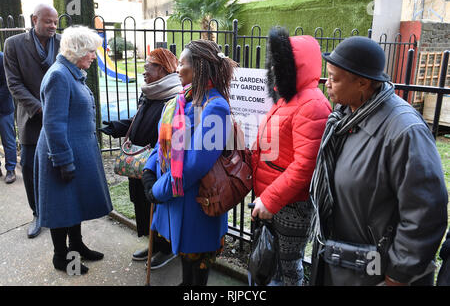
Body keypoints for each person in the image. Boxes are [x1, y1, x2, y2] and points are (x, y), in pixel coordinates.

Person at [309, 36, 448, 286]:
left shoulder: (404, 131)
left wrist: (398, 275)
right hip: (340, 263)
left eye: (334, 77)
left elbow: (425, 212)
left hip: (377, 275)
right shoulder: (344, 117)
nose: (326, 84)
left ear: (362, 82)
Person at [142, 39, 237, 286]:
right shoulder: (183, 98)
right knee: (186, 259)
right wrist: (149, 170)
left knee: (198, 265)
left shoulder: (216, 107)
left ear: (199, 68)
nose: (177, 69)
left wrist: (158, 189)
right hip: (178, 196)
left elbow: (195, 165)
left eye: (182, 63)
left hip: (198, 205)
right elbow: (162, 140)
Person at [250, 27, 331, 286]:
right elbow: (273, 141)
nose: (274, 68)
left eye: (279, 63)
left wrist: (270, 200)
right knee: (270, 263)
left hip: (290, 205)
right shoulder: (287, 98)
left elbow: (305, 166)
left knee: (287, 269)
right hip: (272, 199)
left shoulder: (312, 104)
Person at [34, 26, 113, 274]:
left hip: (75, 150)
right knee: (61, 207)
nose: (93, 56)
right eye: (91, 51)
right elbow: (54, 124)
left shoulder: (71, 72)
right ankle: (62, 257)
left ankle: (77, 246)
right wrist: (63, 161)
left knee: (73, 203)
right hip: (60, 153)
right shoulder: (59, 76)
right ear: (77, 50)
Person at [99, 48, 182, 268]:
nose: (144, 71)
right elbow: (139, 119)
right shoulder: (149, 92)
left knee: (158, 204)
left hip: (158, 163)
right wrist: (118, 127)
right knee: (142, 202)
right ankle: (153, 242)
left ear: (163, 69)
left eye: (149, 67)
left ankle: (166, 249)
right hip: (139, 161)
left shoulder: (174, 96)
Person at [3, 4, 60, 238]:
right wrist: (39, 108)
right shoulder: (14, 44)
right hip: (31, 117)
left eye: (55, 22)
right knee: (28, 166)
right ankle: (38, 214)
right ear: (34, 19)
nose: (53, 26)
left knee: (60, 166)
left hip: (59, 117)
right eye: (48, 21)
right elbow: (14, 84)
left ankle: (58, 210)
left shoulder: (63, 42)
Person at [0, 51, 17, 184]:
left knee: (8, 140)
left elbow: (7, 84)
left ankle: (11, 170)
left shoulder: (1, 58)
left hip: (4, 108)